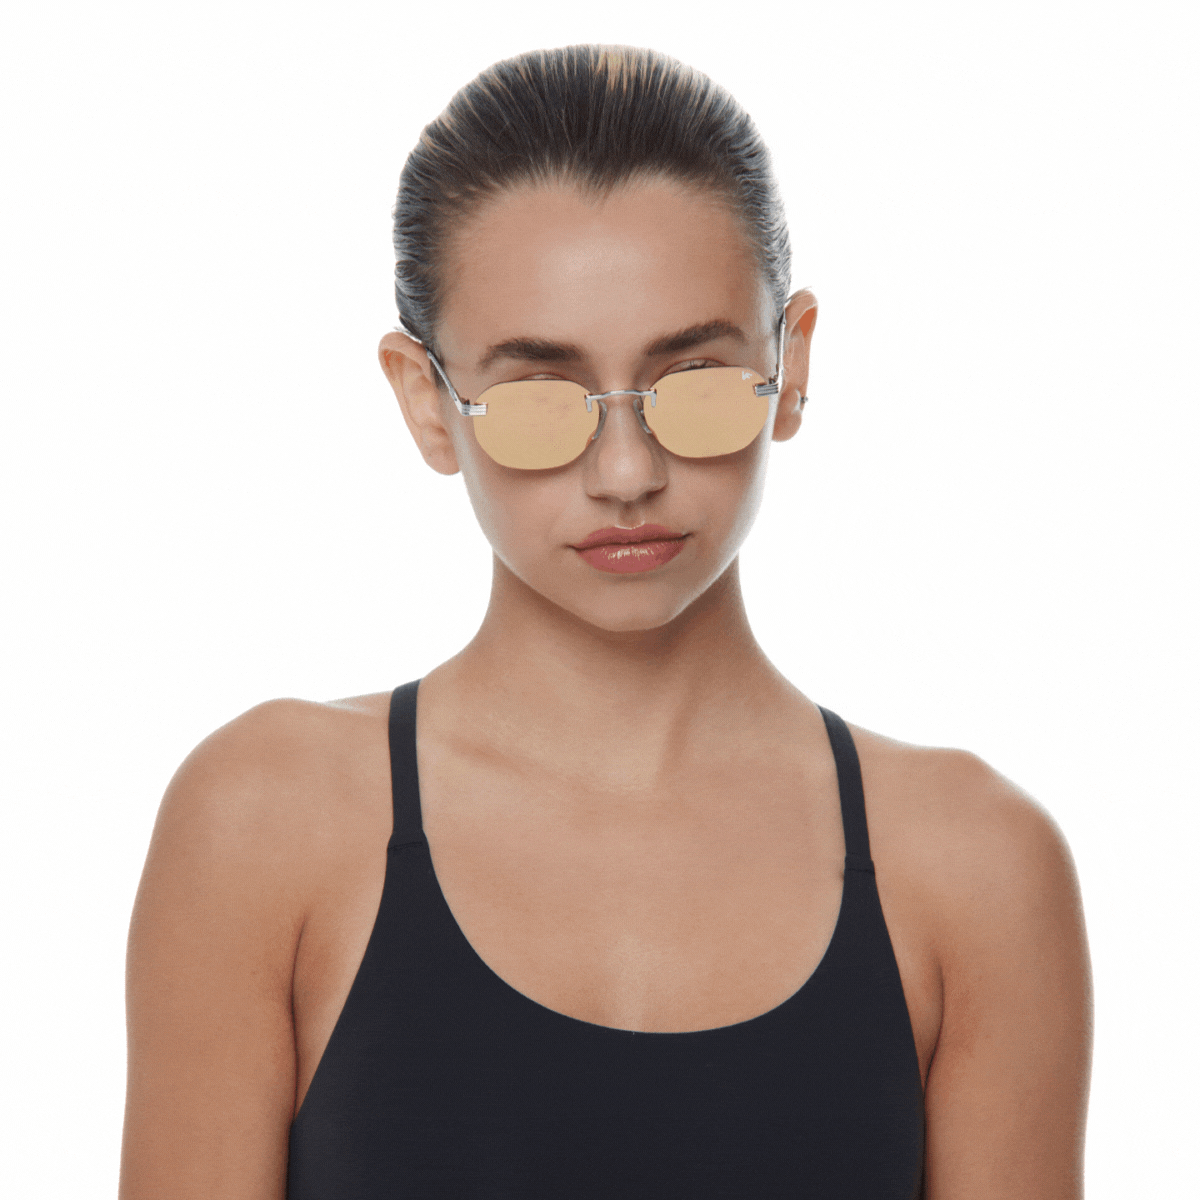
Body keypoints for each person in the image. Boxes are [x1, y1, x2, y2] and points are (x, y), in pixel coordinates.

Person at [119, 45, 1092, 1199]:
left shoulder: (976, 869)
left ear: (790, 368)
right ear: (427, 401)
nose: (627, 473)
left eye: (695, 382)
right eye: (540, 399)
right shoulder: (266, 823)